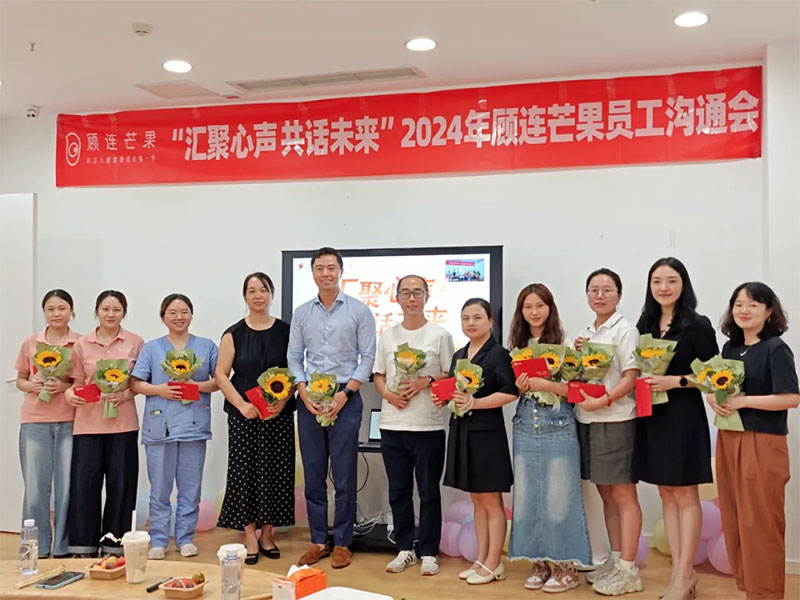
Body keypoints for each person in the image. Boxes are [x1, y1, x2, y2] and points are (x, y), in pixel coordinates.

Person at [632, 258, 718, 600]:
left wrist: (676, 381)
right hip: (652, 414)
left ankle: (684, 574)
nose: (663, 287)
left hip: (683, 415)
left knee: (685, 494)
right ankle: (683, 572)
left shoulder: (697, 324)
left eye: (671, 280)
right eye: (657, 281)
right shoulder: (645, 323)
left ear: (683, 284)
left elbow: (714, 375)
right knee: (666, 492)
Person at [288, 247, 376, 569]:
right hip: (310, 398)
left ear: (340, 271)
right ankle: (317, 541)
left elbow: (368, 356)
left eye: (331, 268)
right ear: (312, 272)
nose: (325, 273)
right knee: (313, 475)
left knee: (343, 476)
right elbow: (294, 357)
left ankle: (342, 542)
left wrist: (346, 393)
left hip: (345, 399)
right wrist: (302, 391)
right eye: (319, 268)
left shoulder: (359, 311)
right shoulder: (301, 313)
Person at [712, 282, 798, 600]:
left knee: (761, 523)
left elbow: (791, 398)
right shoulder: (730, 349)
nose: (744, 310)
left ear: (769, 311)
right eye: (738, 304)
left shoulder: (776, 348)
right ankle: (751, 590)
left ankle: (767, 594)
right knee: (735, 518)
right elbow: (720, 388)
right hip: (729, 437)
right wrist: (713, 398)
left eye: (753, 304)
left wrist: (745, 402)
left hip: (763, 442)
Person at [507, 284, 592, 593]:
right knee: (527, 496)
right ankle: (539, 562)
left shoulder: (565, 343)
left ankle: (566, 566)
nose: (534, 312)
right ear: (521, 311)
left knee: (560, 497)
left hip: (557, 422)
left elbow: (577, 391)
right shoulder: (517, 345)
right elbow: (513, 391)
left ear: (550, 308)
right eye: (528, 307)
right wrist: (519, 386)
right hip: (525, 423)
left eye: (540, 306)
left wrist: (546, 384)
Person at [373, 274, 454, 576]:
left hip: (428, 426)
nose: (411, 298)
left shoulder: (439, 335)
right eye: (405, 293)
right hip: (392, 424)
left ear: (426, 297)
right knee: (399, 491)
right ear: (397, 298)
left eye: (417, 292)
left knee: (429, 492)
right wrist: (388, 395)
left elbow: (450, 374)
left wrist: (426, 381)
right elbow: (379, 375)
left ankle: (429, 551)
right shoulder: (387, 336)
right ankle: (404, 548)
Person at [130, 293, 219, 560]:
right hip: (160, 428)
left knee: (190, 488)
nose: (179, 317)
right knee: (160, 488)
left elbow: (219, 380)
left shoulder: (206, 347)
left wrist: (195, 386)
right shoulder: (151, 348)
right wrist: (161, 390)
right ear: (163, 316)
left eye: (184, 311)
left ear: (191, 314)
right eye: (172, 312)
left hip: (194, 427)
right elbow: (135, 383)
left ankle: (185, 538)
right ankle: (159, 539)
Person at [435, 298, 517, 586]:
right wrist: (443, 397)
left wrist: (476, 403)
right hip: (463, 432)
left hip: (488, 435)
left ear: (490, 321)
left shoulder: (499, 354)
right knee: (477, 500)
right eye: (465, 318)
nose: (470, 323)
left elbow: (511, 392)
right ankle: (481, 559)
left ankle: (495, 562)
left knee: (491, 501)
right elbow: (455, 393)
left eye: (477, 317)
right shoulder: (459, 355)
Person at [215, 273, 296, 565]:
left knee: (276, 472)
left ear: (271, 294)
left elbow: (296, 370)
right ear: (245, 296)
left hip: (278, 414)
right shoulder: (233, 333)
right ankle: (250, 535)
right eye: (252, 290)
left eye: (263, 290)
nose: (258, 295)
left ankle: (268, 535)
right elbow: (221, 374)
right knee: (244, 473)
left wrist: (283, 400)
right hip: (244, 415)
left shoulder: (287, 331)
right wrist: (241, 405)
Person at [574, 269, 642, 596]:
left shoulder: (625, 330)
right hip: (587, 420)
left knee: (624, 494)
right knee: (606, 494)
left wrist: (604, 400)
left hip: (616, 419)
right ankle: (615, 560)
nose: (600, 295)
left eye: (607, 289)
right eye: (594, 289)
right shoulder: (586, 333)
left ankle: (629, 569)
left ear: (619, 295)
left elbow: (631, 376)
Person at [64, 290, 143, 556]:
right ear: (96, 311)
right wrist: (70, 393)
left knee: (122, 485)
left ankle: (115, 544)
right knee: (84, 485)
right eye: (105, 309)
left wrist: (125, 394)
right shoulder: (82, 344)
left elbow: (138, 382)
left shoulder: (135, 342)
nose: (111, 314)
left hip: (124, 425)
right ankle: (82, 545)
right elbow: (77, 381)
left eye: (117, 309)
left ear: (124, 312)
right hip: (87, 424)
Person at [14, 289, 81, 558]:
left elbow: (83, 381)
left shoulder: (80, 343)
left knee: (67, 489)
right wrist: (33, 385)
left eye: (62, 308)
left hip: (70, 422)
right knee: (35, 489)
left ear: (71, 311)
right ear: (44, 312)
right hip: (35, 422)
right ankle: (36, 547)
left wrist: (63, 386)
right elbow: (20, 380)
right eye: (51, 309)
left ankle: (63, 546)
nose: (56, 314)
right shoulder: (31, 342)